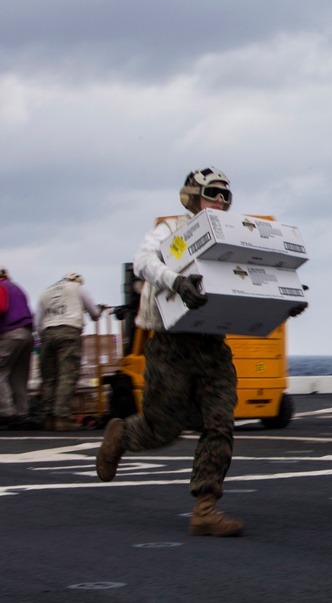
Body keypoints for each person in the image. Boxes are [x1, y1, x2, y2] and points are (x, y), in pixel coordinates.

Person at [95, 167, 306, 537]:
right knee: (163, 429)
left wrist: (283, 301)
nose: (221, 202)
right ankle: (121, 437)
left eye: (227, 196)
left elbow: (249, 282)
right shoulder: (173, 231)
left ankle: (205, 507)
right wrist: (176, 280)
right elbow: (146, 262)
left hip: (212, 346)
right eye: (213, 193)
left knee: (221, 423)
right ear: (193, 195)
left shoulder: (233, 242)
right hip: (172, 345)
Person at [36, 273, 105, 430]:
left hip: (47, 333)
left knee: (49, 378)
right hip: (69, 331)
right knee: (67, 376)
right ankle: (61, 417)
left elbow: (37, 322)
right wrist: (98, 311)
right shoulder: (77, 288)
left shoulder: (45, 292)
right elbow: (94, 313)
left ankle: (48, 418)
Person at [0, 266, 34, 429]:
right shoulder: (15, 287)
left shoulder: (0, 287)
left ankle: (5, 413)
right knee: (18, 377)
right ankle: (22, 413)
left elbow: (1, 307)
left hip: (11, 333)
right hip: (26, 334)